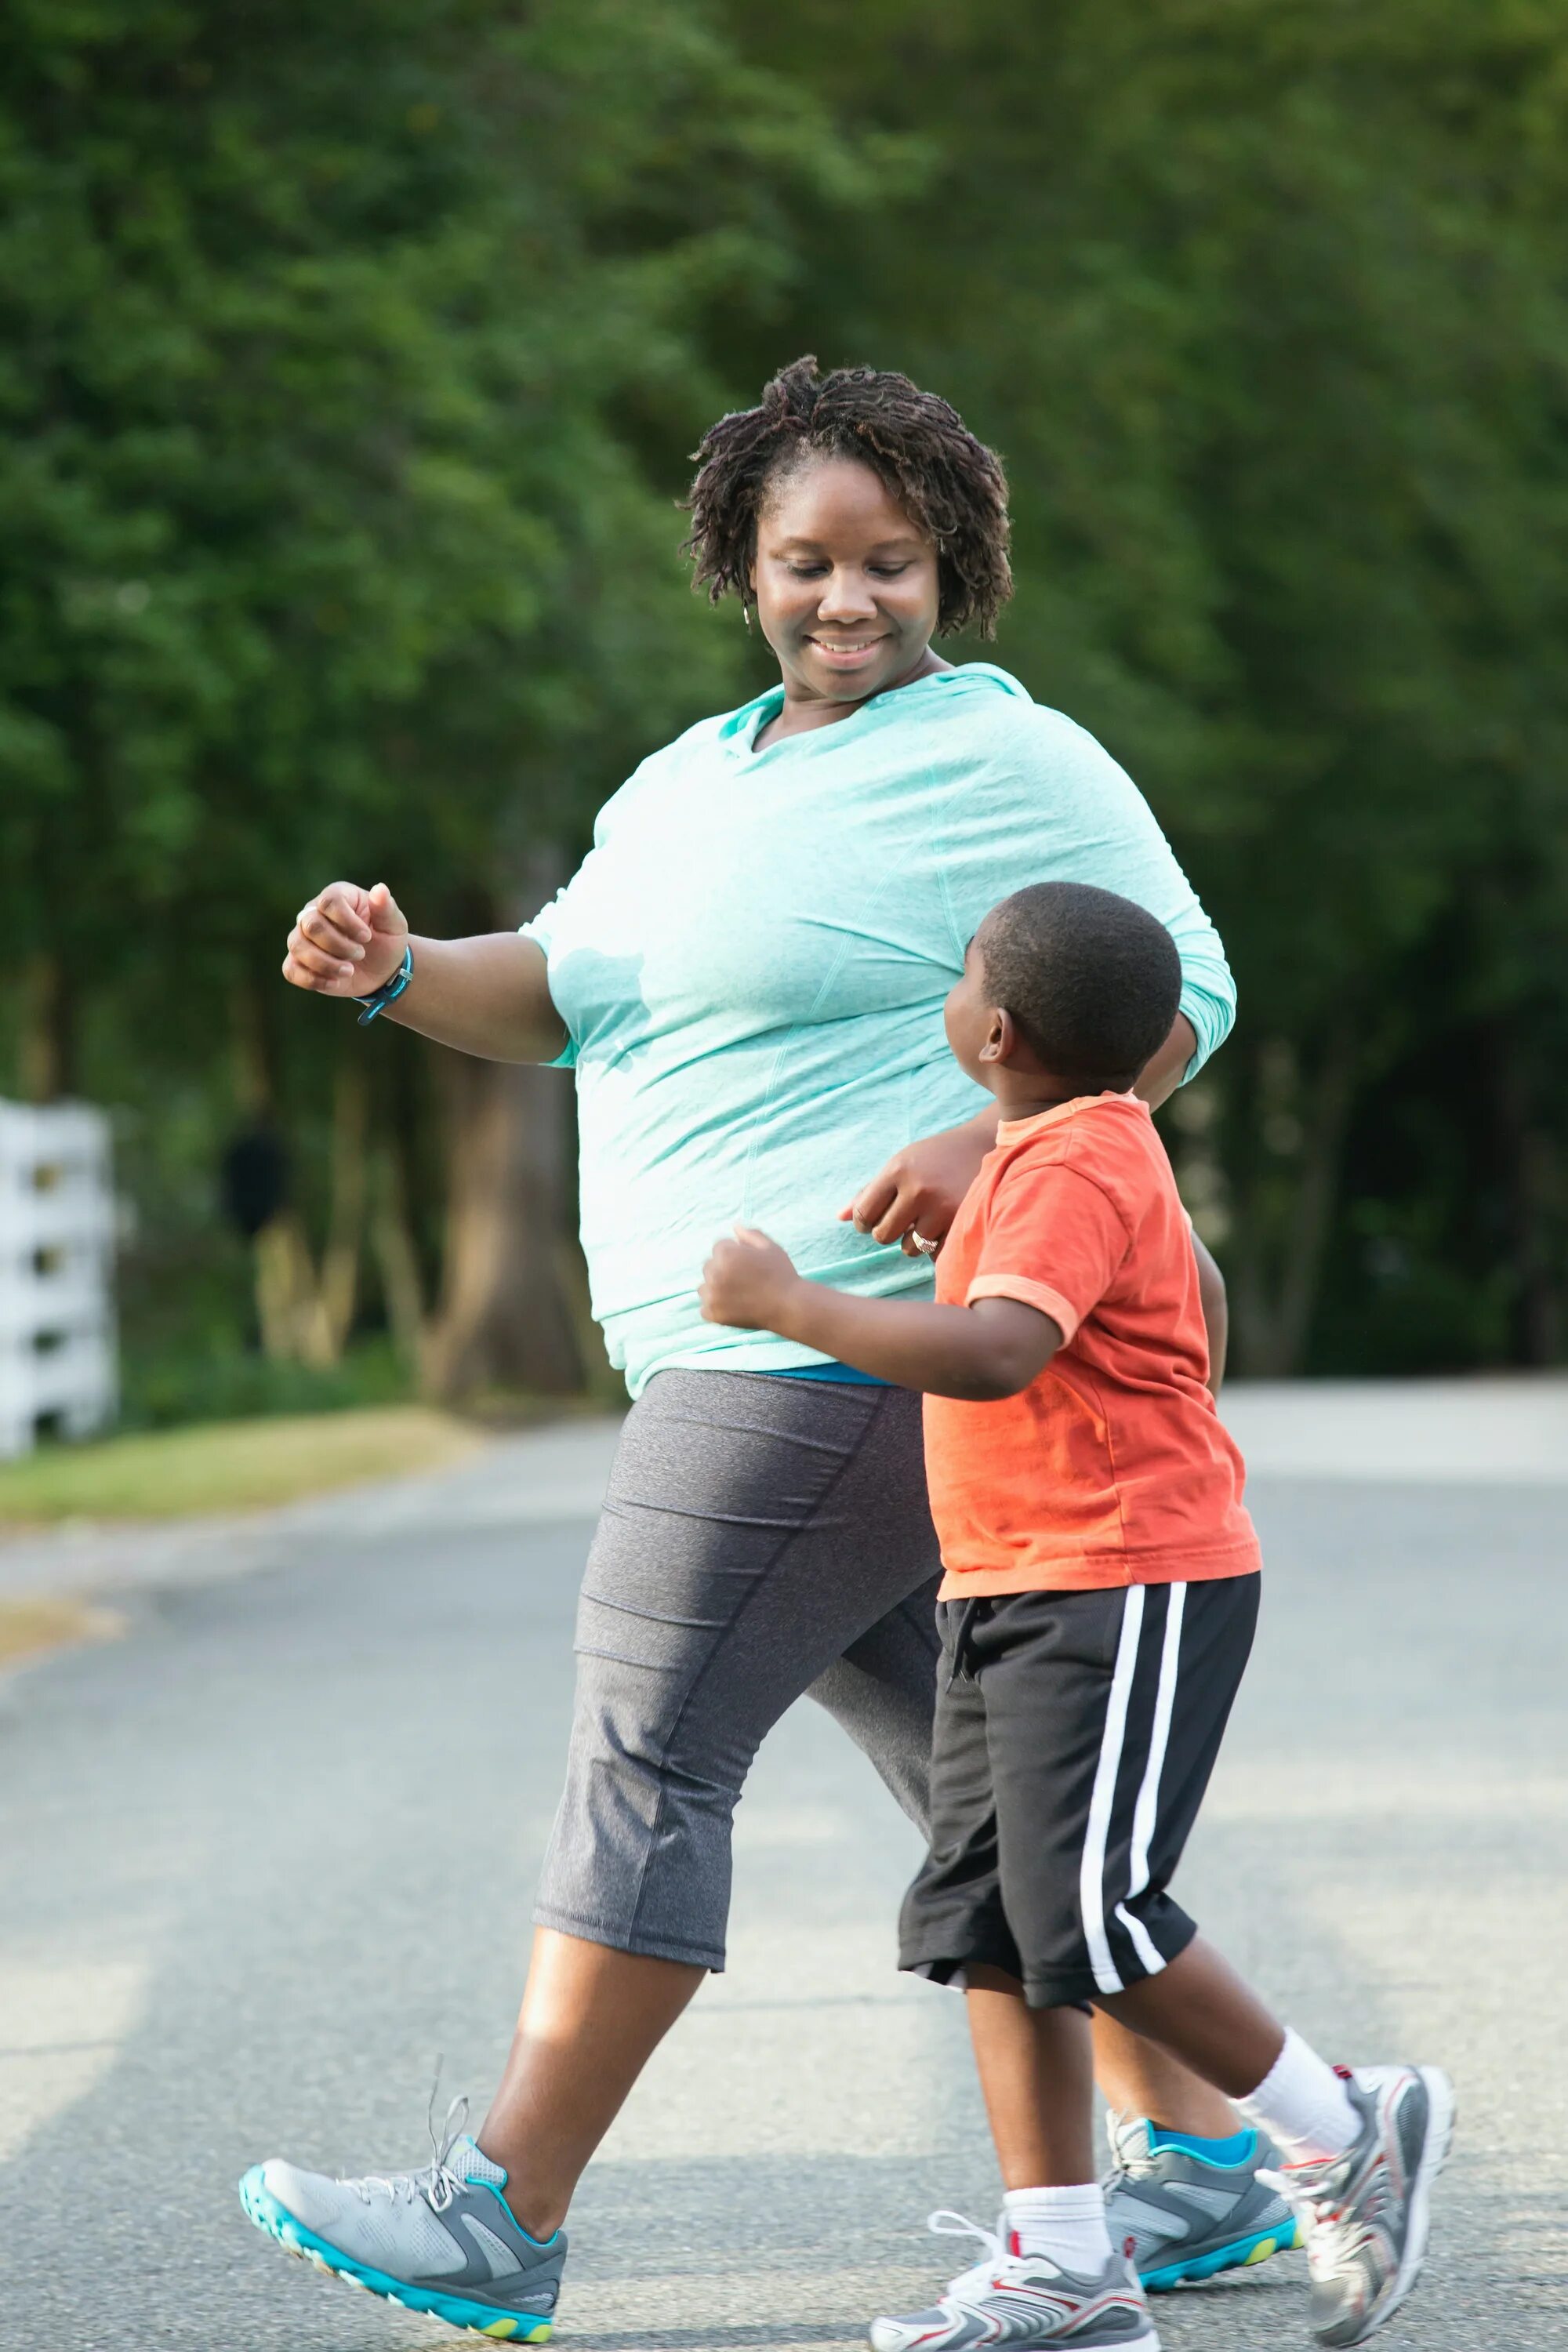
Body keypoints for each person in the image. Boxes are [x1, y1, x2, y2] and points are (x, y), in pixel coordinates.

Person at [238, 358, 1280, 2343]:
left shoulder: (1013, 760)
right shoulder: (684, 780)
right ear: (743, 564)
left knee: (645, 1740)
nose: (849, 599)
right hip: (730, 1362)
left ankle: (500, 2208)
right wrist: (393, 978)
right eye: (807, 562)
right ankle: (1226, 2156)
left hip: (820, 1356)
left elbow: (1183, 989)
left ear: (948, 566)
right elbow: (555, 992)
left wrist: (994, 1134)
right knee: (986, 1810)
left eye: (890, 562)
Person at [699, 880, 1454, 2352]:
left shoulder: (1070, 1167)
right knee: (988, 1919)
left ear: (991, 1028)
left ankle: (1341, 2125)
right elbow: (1188, 1314)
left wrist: (793, 1308)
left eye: (965, 972)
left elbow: (991, 1356)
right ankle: (1062, 2263)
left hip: (1120, 1584)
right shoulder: (1062, 1148)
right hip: (1017, 1578)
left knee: (1088, 1916)